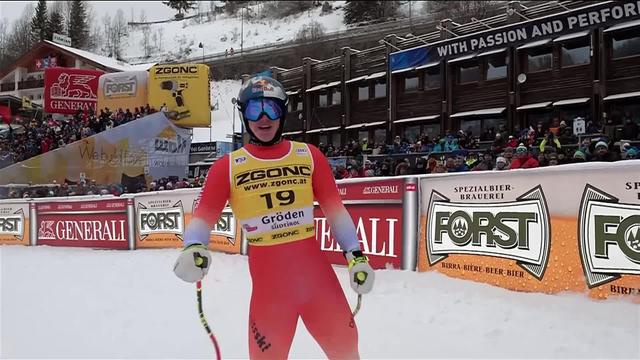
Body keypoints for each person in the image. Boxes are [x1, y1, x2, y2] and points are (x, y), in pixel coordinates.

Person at [172, 75, 374, 359]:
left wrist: (356, 257)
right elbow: (203, 218)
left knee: (346, 349)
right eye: (254, 110)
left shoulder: (309, 155)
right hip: (271, 295)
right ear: (244, 115)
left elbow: (335, 211)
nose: (263, 118)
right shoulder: (226, 167)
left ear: (283, 112)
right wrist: (193, 246)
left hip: (319, 286)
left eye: (272, 109)